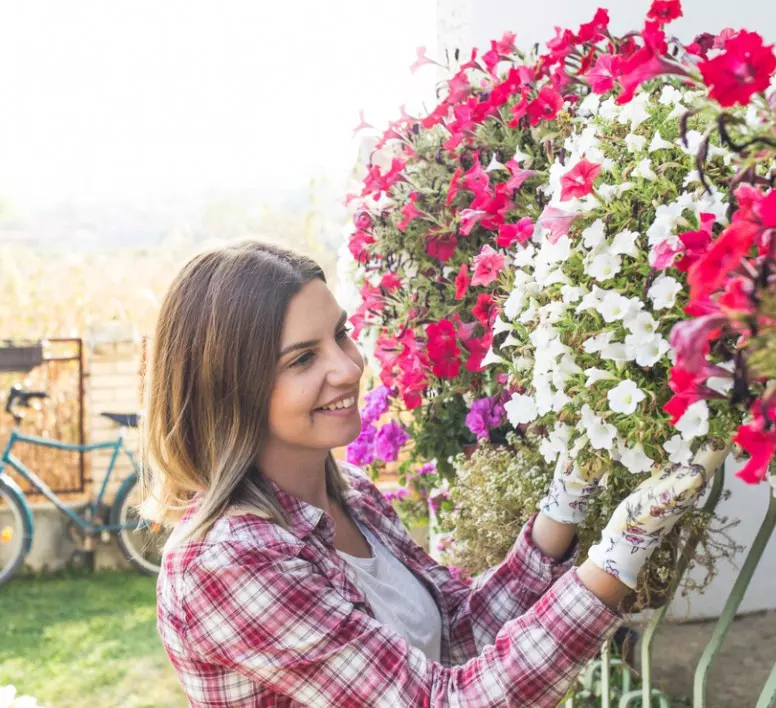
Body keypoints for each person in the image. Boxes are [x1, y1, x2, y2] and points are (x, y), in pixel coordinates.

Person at [142, 240, 707, 706]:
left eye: (340, 335)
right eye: (302, 359)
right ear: (228, 389)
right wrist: (619, 556)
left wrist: (566, 502)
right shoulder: (226, 562)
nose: (347, 367)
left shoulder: (354, 500)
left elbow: (459, 635)